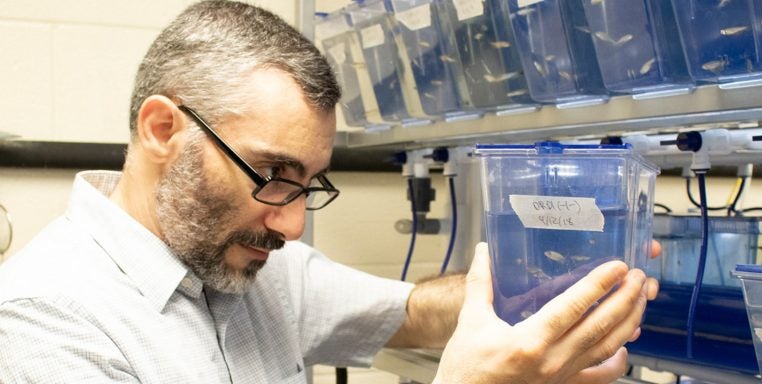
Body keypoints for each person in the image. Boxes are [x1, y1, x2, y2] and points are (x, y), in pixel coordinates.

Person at [0, 1, 658, 383]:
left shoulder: (246, 270)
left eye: (307, 184)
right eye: (272, 175)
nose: (290, 227)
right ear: (164, 128)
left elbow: (418, 312)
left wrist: (567, 281)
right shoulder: (44, 323)